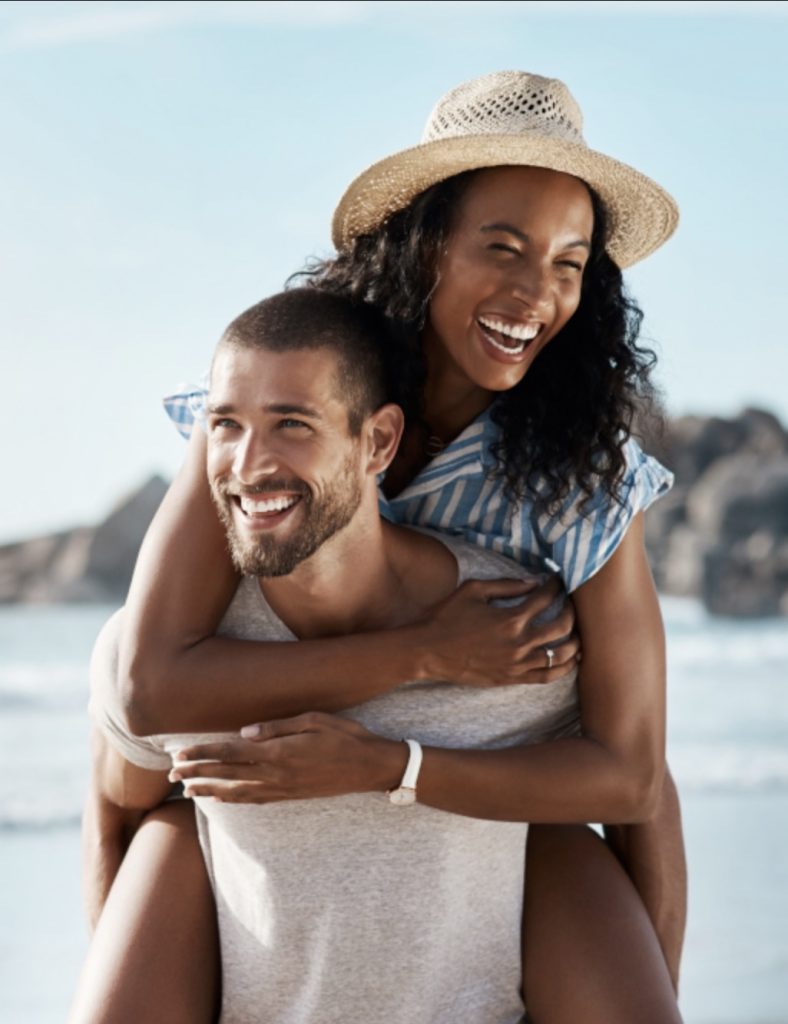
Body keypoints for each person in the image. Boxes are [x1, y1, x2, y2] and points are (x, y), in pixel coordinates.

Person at [77, 69, 687, 1019]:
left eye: (569, 264)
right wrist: (425, 654)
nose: (535, 292)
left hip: (512, 807)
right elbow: (145, 685)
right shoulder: (292, 397)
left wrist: (391, 764)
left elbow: (634, 775)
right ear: (425, 244)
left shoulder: (582, 478)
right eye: (503, 247)